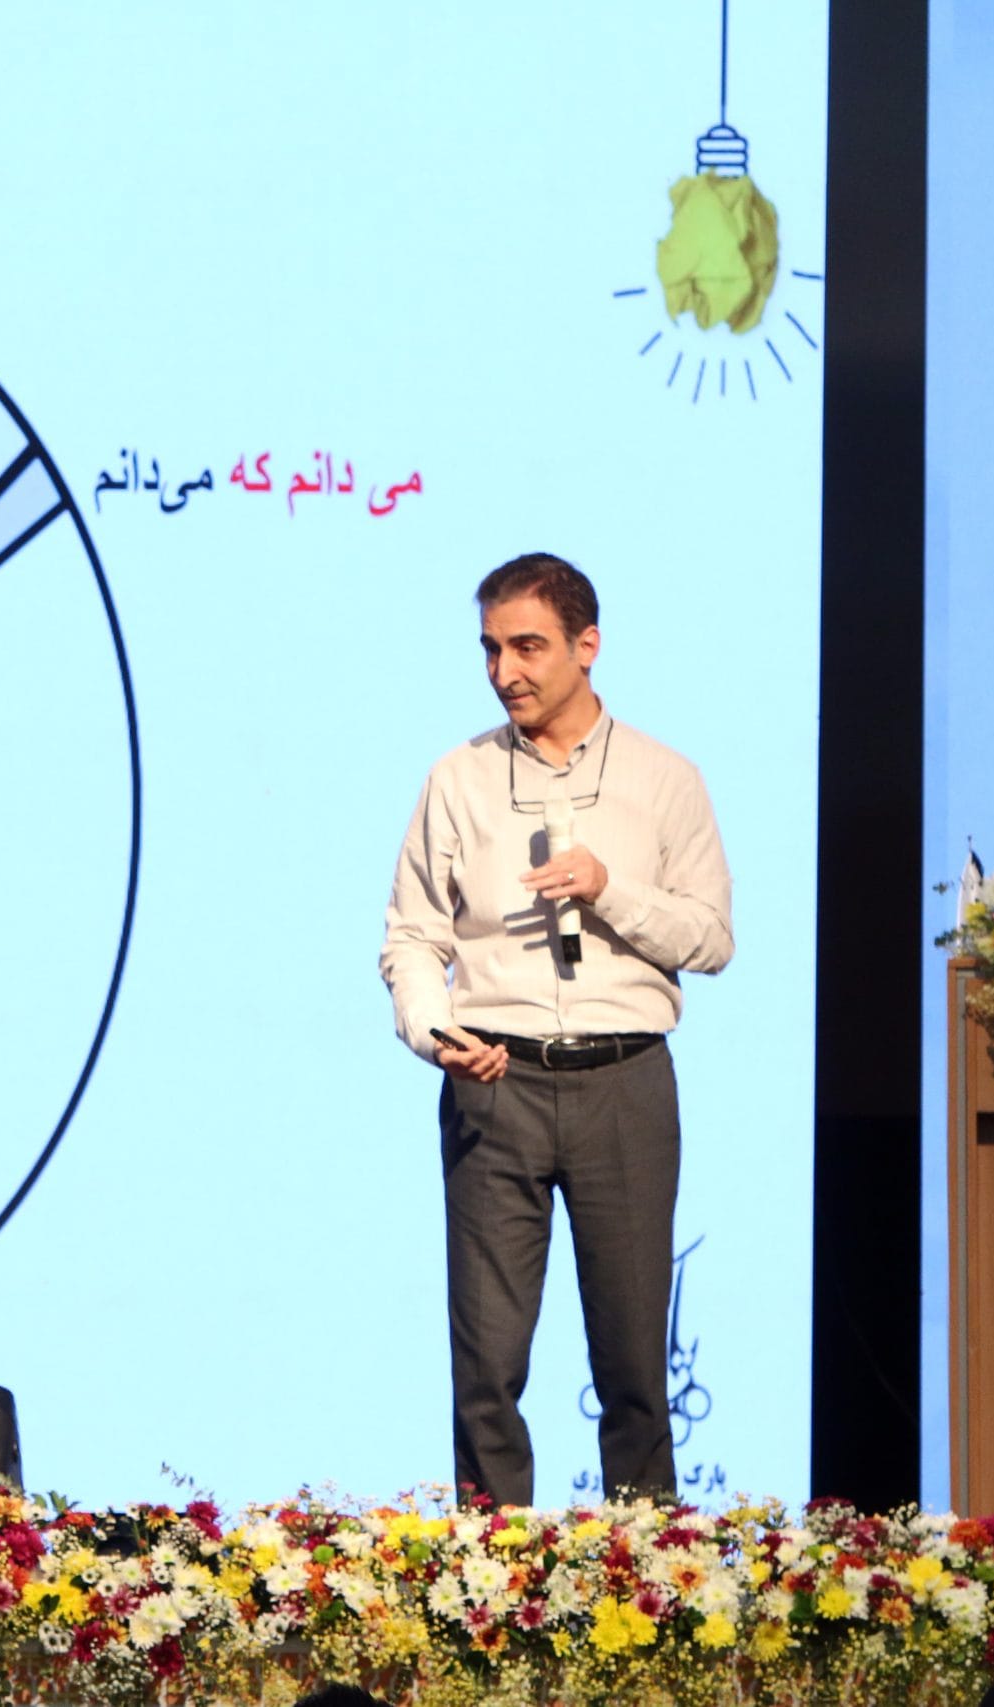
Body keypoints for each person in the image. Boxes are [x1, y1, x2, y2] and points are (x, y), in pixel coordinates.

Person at [379, 553, 733, 1511]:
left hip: (624, 1082)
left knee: (633, 1365)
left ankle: (649, 1571)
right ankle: (489, 1575)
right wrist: (436, 1030)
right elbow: (412, 936)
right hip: (495, 1083)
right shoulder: (458, 778)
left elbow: (712, 938)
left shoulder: (664, 778)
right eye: (490, 649)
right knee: (486, 1369)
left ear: (588, 645)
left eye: (527, 646)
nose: (505, 671)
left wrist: (610, 889)